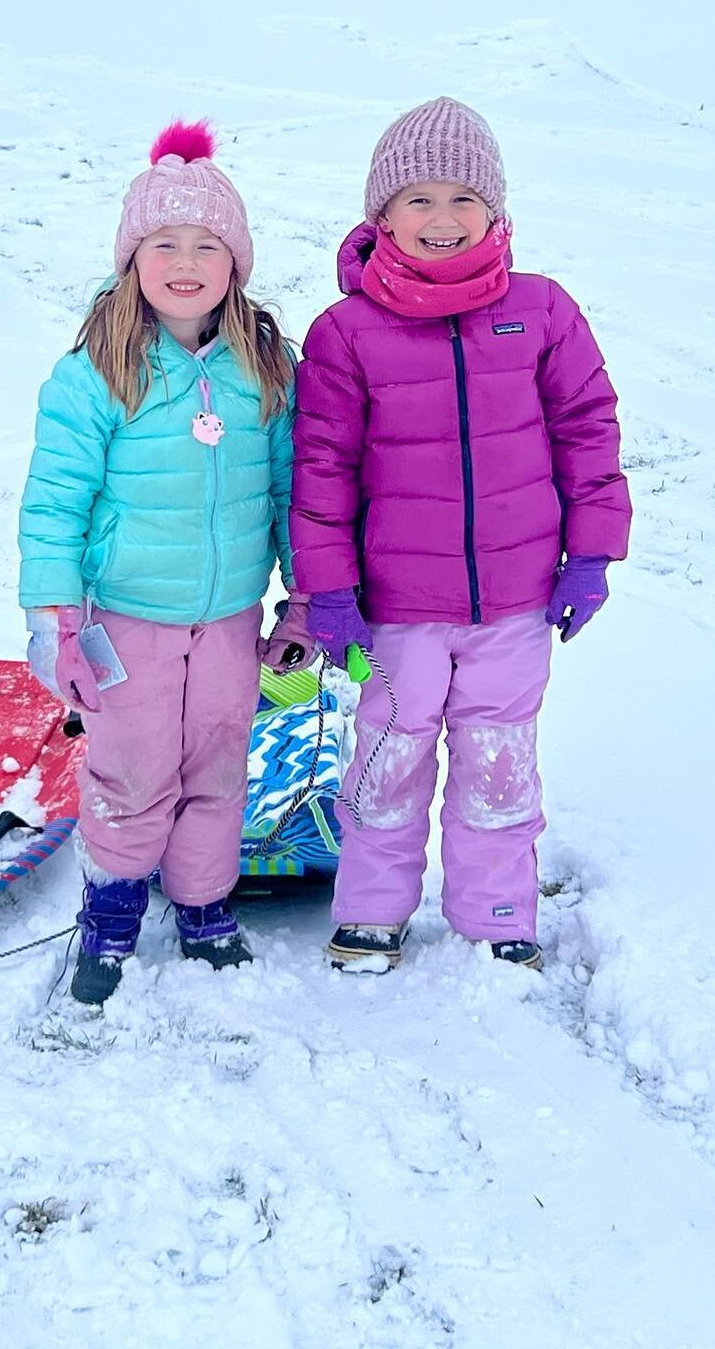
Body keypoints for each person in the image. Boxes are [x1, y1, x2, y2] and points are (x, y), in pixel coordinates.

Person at [290, 97, 630, 972]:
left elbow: (589, 429)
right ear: (382, 217)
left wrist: (590, 554)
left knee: (498, 760)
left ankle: (497, 911)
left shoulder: (542, 312)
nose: (442, 221)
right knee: (388, 759)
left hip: (516, 604)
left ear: (495, 210)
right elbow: (321, 469)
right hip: (394, 614)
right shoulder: (346, 333)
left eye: (461, 200)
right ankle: (371, 910)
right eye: (419, 201)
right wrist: (326, 591)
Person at [18, 121, 308, 1006]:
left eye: (207, 244)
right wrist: (55, 618)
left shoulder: (266, 370)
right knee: (133, 765)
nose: (187, 261)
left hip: (228, 619)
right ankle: (111, 905)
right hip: (129, 622)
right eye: (165, 243)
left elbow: (292, 493)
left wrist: (302, 601)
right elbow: (55, 503)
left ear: (236, 261)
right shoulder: (95, 373)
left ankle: (203, 906)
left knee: (219, 766)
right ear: (132, 258)